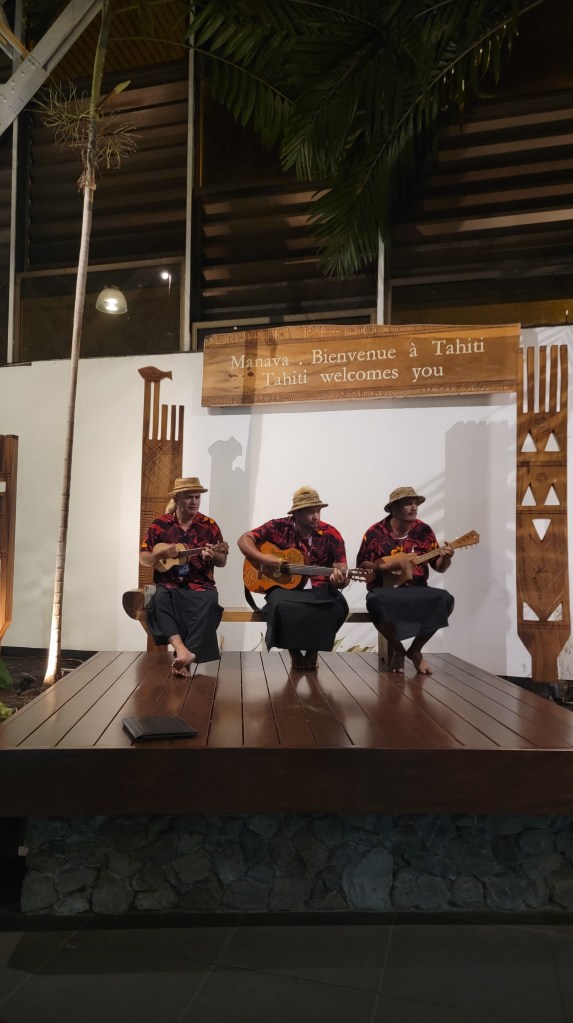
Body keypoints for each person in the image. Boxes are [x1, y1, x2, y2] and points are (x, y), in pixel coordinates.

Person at [237, 486, 349, 671]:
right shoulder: (278, 527)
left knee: (337, 606)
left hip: (319, 587)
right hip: (285, 589)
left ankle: (313, 650)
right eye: (310, 512)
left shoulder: (331, 534)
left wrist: (341, 580)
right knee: (280, 606)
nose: (316, 516)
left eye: (318, 511)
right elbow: (244, 540)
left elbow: (341, 569)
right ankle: (294, 651)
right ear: (296, 513)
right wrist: (265, 559)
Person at [357, 486, 454, 675]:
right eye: (407, 504)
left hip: (417, 589)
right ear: (393, 508)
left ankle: (415, 650)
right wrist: (387, 566)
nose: (414, 507)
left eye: (415, 503)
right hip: (385, 591)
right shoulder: (375, 532)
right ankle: (399, 649)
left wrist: (447, 557)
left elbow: (439, 567)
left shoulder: (423, 531)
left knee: (446, 600)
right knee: (375, 602)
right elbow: (363, 566)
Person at [139, 477, 228, 677]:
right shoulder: (159, 525)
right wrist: (161, 554)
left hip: (200, 585)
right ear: (177, 499)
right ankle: (182, 650)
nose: (194, 501)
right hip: (168, 584)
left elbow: (222, 560)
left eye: (197, 497)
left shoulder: (209, 525)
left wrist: (214, 555)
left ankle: (187, 654)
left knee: (210, 602)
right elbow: (144, 559)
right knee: (158, 600)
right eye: (189, 497)